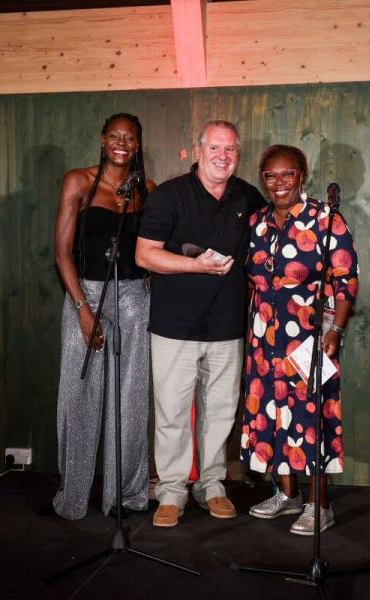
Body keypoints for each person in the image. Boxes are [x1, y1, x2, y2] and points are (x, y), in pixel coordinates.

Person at [135, 120, 267, 528]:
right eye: (215, 148)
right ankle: (172, 492)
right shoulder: (169, 196)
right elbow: (145, 255)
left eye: (230, 150)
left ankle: (212, 485)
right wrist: (194, 265)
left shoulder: (247, 195)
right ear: (198, 150)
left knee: (222, 412)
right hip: (174, 327)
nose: (222, 157)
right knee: (172, 412)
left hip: (227, 328)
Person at [240, 144, 359, 535]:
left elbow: (346, 280)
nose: (279, 183)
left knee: (311, 419)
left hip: (308, 337)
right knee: (273, 416)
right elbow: (251, 278)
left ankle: (319, 505)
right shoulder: (257, 222)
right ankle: (288, 495)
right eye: (270, 176)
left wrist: (336, 332)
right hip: (263, 339)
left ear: (302, 176)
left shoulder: (325, 220)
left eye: (287, 174)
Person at [50, 113, 155, 519]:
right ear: (103, 139)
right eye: (115, 136)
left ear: (138, 143)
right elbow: (61, 252)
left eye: (130, 137)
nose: (122, 143)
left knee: (130, 399)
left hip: (134, 297)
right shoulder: (78, 180)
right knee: (80, 397)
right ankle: (73, 495)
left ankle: (127, 495)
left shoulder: (148, 189)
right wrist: (82, 310)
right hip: (87, 293)